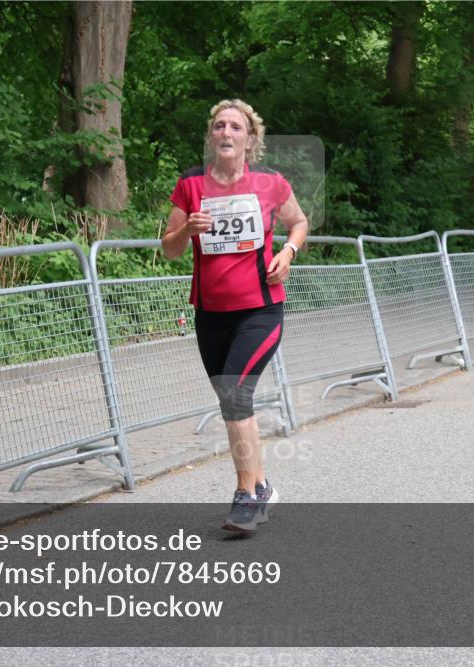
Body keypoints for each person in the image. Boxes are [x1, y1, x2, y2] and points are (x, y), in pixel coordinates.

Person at [162, 99, 309, 532]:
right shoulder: (190, 184)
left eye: (236, 127)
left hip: (261, 310)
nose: (226, 132)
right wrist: (187, 229)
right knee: (232, 399)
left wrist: (288, 251)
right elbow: (168, 248)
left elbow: (299, 222)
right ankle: (261, 486)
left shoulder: (270, 182)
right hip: (211, 314)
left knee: (235, 394)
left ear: (250, 138)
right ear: (211, 136)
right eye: (219, 126)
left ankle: (246, 497)